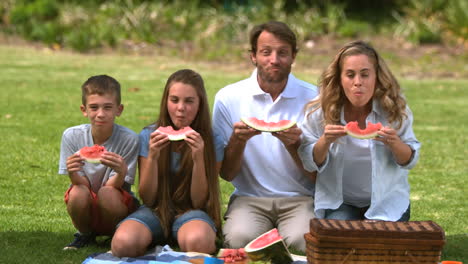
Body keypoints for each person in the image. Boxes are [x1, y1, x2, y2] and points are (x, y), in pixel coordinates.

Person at [212, 21, 318, 252]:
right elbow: (226, 173)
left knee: (303, 244)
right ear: (253, 56)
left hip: (300, 198)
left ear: (293, 57)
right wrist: (237, 142)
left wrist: (295, 146)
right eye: (266, 52)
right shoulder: (228, 98)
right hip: (249, 198)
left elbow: (317, 178)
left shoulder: (314, 99)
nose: (274, 59)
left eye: (282, 53)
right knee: (238, 241)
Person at [298, 40, 421, 221]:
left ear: (376, 77)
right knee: (342, 243)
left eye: (365, 74)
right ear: (339, 78)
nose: (358, 82)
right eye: (350, 75)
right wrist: (324, 141)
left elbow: (409, 160)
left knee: (378, 246)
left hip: (387, 202)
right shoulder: (320, 111)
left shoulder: (395, 110)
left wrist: (396, 144)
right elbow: (309, 162)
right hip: (340, 202)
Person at [111, 69, 221, 258]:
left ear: (200, 104)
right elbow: (148, 198)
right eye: (174, 100)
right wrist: (153, 156)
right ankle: (159, 236)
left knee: (199, 242)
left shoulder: (213, 141)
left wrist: (198, 158)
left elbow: (198, 201)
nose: (180, 108)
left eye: (189, 101)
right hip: (155, 209)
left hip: (192, 212)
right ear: (166, 101)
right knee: (123, 244)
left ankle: (174, 238)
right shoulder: (149, 136)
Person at [59, 75, 140, 250]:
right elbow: (80, 184)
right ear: (84, 109)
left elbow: (116, 187)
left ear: (119, 110)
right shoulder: (71, 136)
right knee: (77, 192)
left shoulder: (130, 139)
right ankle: (85, 234)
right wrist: (73, 173)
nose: (100, 114)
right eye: (94, 107)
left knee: (107, 192)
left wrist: (120, 172)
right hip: (87, 200)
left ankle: (115, 235)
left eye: (108, 107)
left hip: (116, 201)